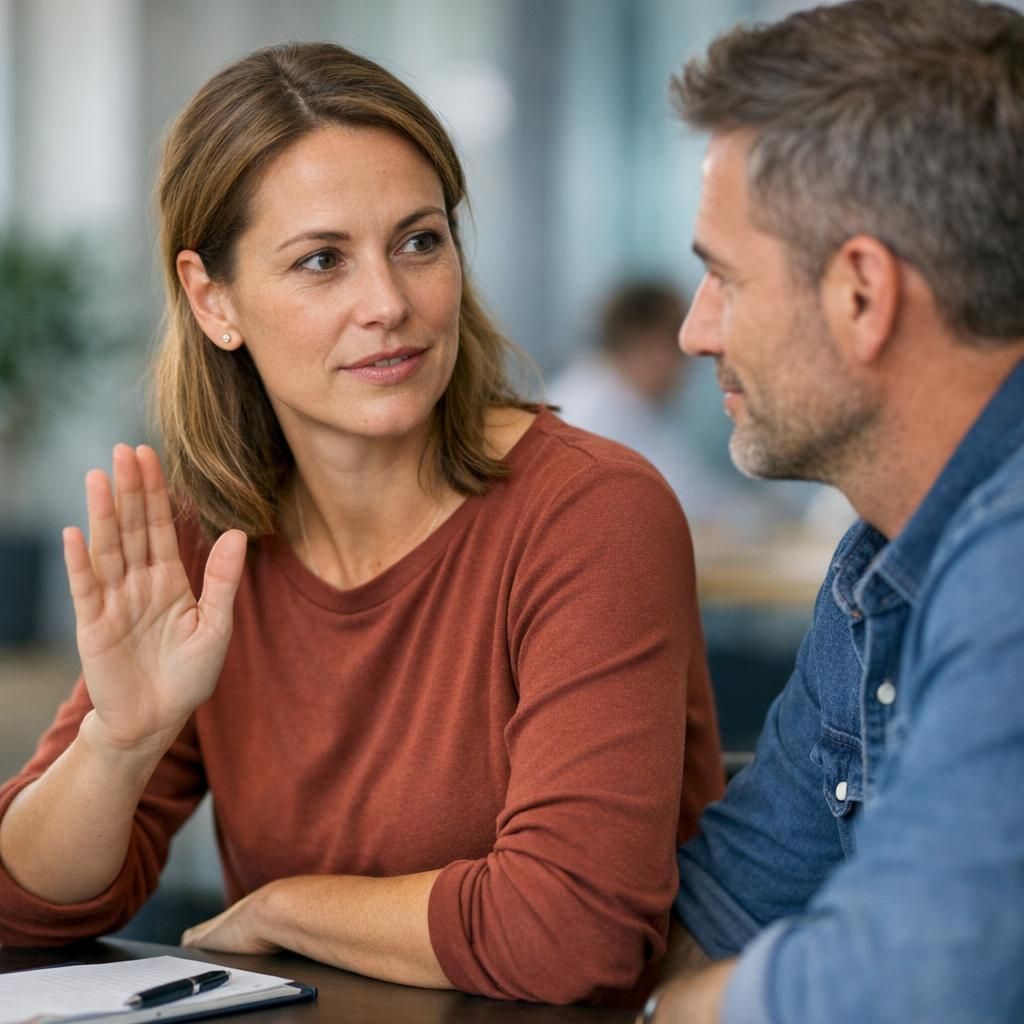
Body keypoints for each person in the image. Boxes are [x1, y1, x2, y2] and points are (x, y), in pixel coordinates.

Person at [0, 43, 725, 1006]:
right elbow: (20, 905)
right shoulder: (206, 539)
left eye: (420, 242)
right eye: (322, 261)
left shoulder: (592, 514)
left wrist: (286, 909)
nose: (388, 304)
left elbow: (571, 931)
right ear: (213, 300)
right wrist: (120, 744)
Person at [640, 1, 1024, 1021]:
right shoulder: (879, 564)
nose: (694, 331)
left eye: (723, 276)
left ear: (861, 293)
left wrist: (671, 1015)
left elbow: (914, 981)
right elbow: (730, 903)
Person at [548, 281, 739, 526]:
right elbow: (690, 502)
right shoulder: (597, 415)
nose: (688, 364)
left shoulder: (618, 398)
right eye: (677, 348)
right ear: (647, 344)